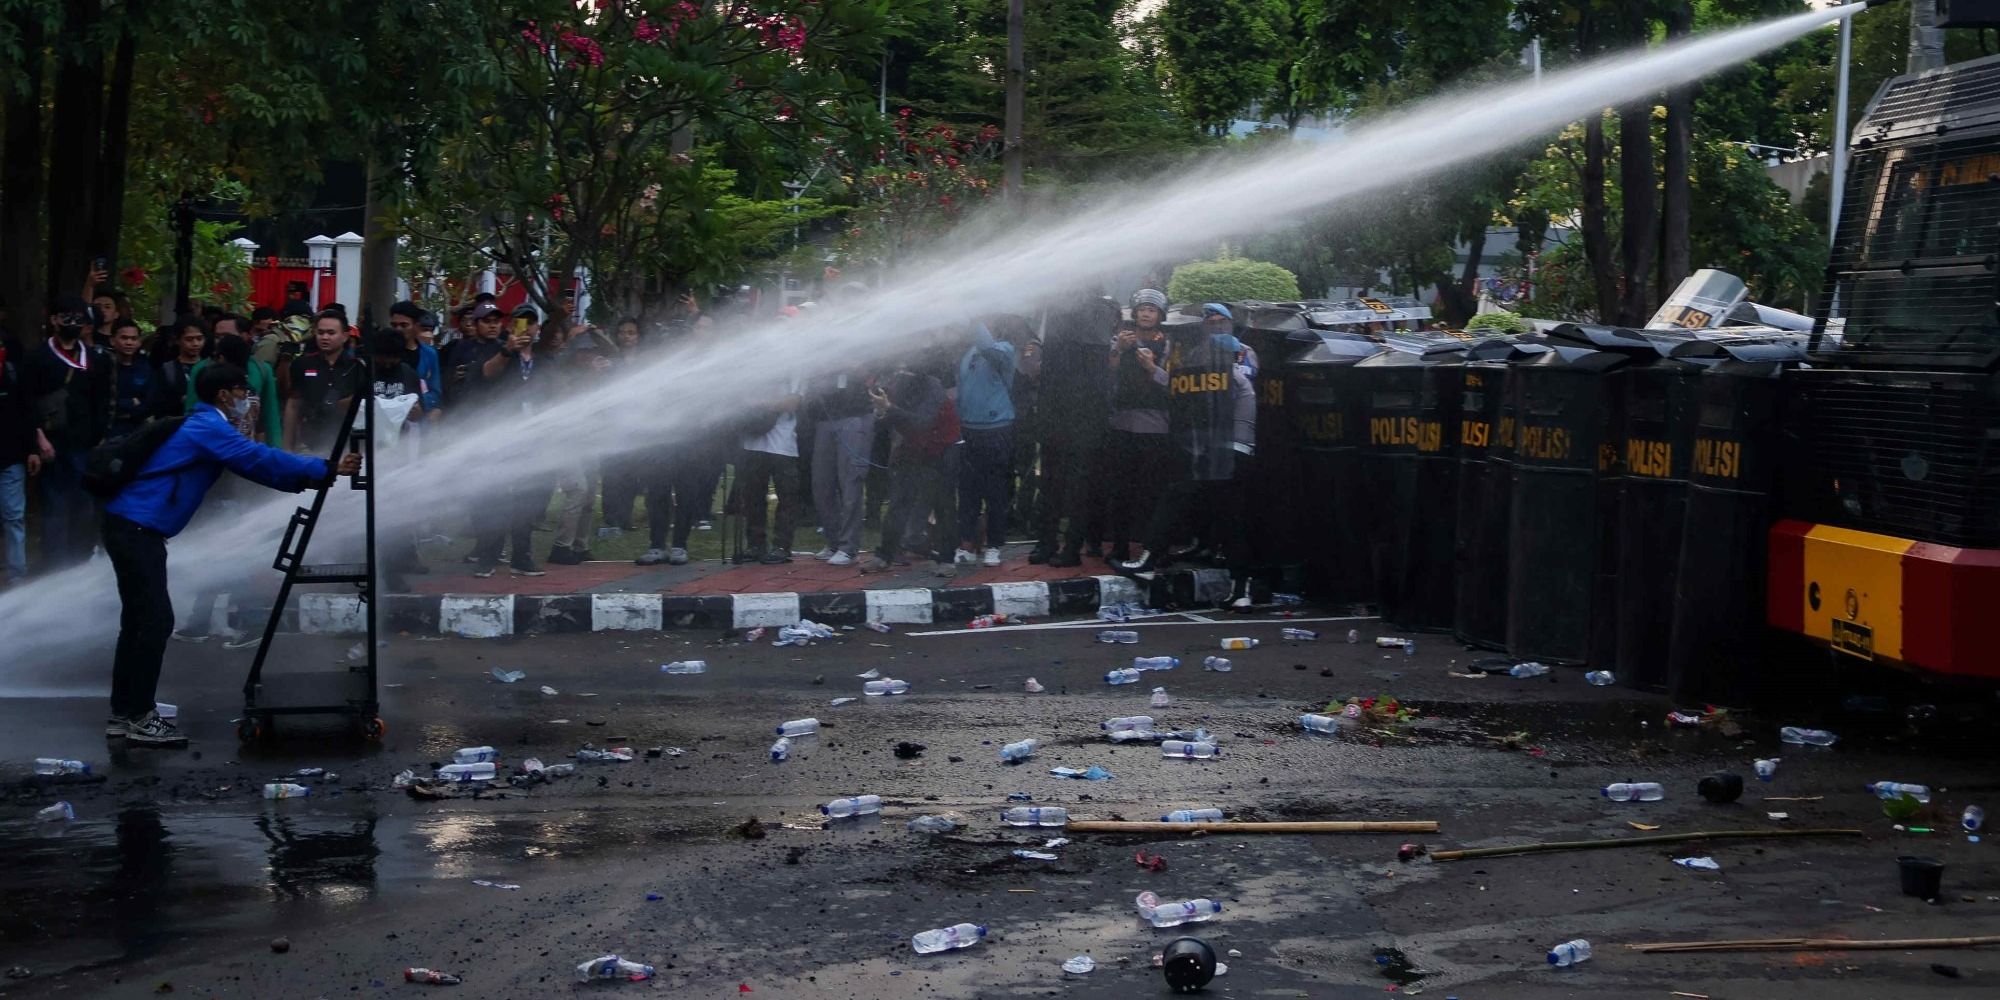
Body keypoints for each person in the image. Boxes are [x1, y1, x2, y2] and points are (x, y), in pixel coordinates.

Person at [103, 363, 361, 745]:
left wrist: (313, 475)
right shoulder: (209, 427)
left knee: (140, 620)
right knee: (154, 620)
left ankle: (125, 712)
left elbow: (256, 465)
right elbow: (256, 458)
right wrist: (326, 468)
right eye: (243, 392)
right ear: (224, 395)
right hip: (136, 528)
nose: (248, 400)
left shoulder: (204, 424)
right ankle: (139, 716)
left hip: (131, 526)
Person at [1120, 303, 1250, 583]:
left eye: (1220, 320)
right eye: (1209, 321)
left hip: (1233, 447)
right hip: (1204, 446)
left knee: (1228, 512)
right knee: (1186, 497)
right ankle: (1166, 554)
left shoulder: (1242, 355)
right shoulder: (1195, 357)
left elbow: (1240, 391)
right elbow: (1184, 391)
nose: (1214, 324)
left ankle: (1240, 582)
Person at [23, 295, 112, 569]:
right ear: (54, 321)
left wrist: (99, 437)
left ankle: (79, 564)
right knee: (55, 508)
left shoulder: (96, 360)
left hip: (85, 446)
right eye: (66, 318)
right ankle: (54, 567)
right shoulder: (37, 357)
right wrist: (38, 438)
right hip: (52, 445)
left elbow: (103, 401)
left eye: (78, 319)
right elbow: (27, 401)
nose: (72, 324)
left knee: (84, 507)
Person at [1029, 291, 1116, 568]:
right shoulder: (1057, 309)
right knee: (1050, 483)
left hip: (1085, 419)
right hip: (1056, 414)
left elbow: (1098, 379)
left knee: (1078, 487)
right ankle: (1047, 541)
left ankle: (1072, 546)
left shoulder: (1100, 309)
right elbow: (1048, 374)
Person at [859, 344, 952, 575]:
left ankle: (947, 560)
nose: (901, 374)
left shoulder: (934, 387)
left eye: (907, 370)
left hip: (941, 449)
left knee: (943, 505)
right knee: (899, 503)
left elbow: (922, 422)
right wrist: (881, 410)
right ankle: (884, 556)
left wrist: (890, 408)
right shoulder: (900, 384)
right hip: (910, 449)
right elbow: (883, 423)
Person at [468, 309, 546, 578]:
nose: (526, 329)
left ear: (538, 327)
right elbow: (485, 375)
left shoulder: (544, 359)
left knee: (527, 497)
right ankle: (489, 556)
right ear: (511, 327)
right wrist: (507, 350)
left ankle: (521, 556)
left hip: (534, 439)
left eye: (531, 323)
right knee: (496, 496)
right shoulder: (498, 351)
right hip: (499, 436)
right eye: (520, 323)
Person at [1100, 289, 1174, 563]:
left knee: (1152, 493)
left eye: (1151, 310)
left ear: (1160, 316)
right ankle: (1119, 547)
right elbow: (1106, 374)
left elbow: (1174, 384)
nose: (1145, 313)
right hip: (1121, 424)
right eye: (1142, 308)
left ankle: (1155, 549)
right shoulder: (1121, 338)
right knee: (1121, 490)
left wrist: (1152, 368)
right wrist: (1118, 349)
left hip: (1155, 428)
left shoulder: (1168, 344)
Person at [954, 321, 1017, 568]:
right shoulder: (969, 352)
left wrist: (972, 316)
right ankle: (967, 544)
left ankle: (994, 546)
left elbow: (987, 346)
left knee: (995, 493)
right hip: (969, 430)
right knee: (968, 491)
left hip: (996, 430)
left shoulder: (1005, 350)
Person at [805, 361, 876, 567]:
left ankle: (848, 547)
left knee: (850, 482)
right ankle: (834, 541)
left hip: (855, 416)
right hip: (825, 419)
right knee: (821, 484)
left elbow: (867, 370)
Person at [733, 372, 805, 564]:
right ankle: (755, 544)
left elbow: (792, 403)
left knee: (787, 496)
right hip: (752, 442)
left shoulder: (796, 370)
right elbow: (739, 398)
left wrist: (757, 402)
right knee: (752, 496)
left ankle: (782, 546)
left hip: (782, 444)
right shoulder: (758, 366)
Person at [184, 314, 282, 445]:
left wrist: (275, 449)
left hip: (247, 450)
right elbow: (191, 412)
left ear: (246, 336)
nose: (220, 341)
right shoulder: (202, 369)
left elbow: (271, 416)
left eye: (226, 336)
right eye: (217, 337)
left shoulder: (262, 370)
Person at [284, 310, 363, 455]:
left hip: (348, 442)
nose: (325, 337)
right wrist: (287, 446)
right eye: (320, 333)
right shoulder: (302, 363)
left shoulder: (357, 367)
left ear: (345, 336)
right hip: (310, 441)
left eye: (331, 333)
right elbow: (293, 405)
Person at [0, 342, 41, 586]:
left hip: (11, 459)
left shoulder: (14, 375)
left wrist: (32, 450)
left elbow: (27, 414)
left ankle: (17, 576)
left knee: (14, 517)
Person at [105, 318, 165, 439]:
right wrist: (131, 402)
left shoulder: (146, 368)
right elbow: (103, 401)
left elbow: (150, 403)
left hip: (137, 431)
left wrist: (125, 406)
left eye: (133, 339)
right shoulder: (104, 367)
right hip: (108, 430)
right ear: (112, 340)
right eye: (124, 338)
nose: (129, 342)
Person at [388, 301, 443, 423]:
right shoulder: (384, 355)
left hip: (420, 422)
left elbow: (435, 391)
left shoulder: (430, 354)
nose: (398, 330)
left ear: (416, 326)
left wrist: (419, 404)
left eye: (404, 325)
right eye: (394, 325)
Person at [157, 317, 209, 417]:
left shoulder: (211, 367)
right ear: (177, 340)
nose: (195, 344)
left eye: (199, 338)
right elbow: (159, 404)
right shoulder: (167, 369)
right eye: (189, 339)